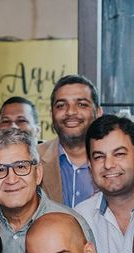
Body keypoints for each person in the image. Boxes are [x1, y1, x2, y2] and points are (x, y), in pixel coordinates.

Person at [75, 114, 134, 253]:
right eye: (99, 157)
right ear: (90, 167)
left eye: (119, 154)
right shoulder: (80, 219)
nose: (108, 164)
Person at [39, 75, 102, 207]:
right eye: (61, 105)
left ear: (98, 112)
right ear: (51, 114)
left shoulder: (124, 162)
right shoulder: (32, 160)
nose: (71, 112)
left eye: (81, 104)